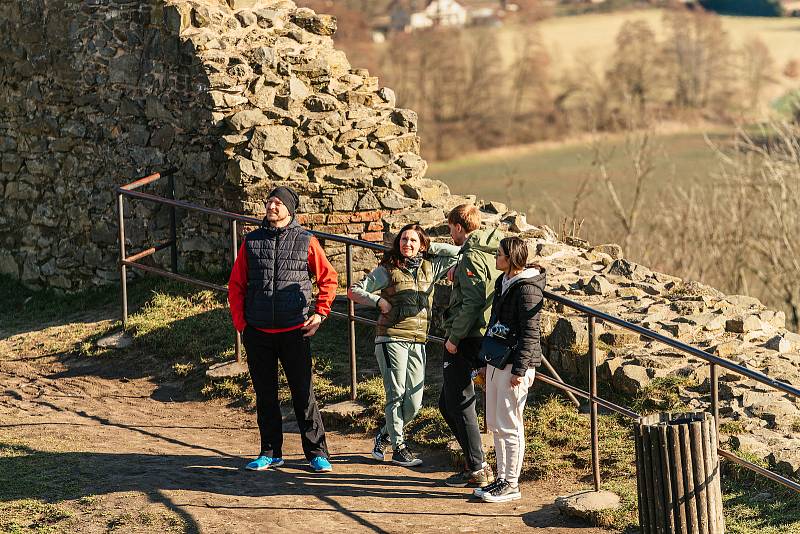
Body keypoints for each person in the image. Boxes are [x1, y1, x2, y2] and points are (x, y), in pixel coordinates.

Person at [228, 186, 338, 473]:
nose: (272, 206)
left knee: (303, 393)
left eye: (278, 203)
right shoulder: (251, 242)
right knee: (265, 395)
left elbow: (329, 278)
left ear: (290, 208)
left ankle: (316, 453)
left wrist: (321, 313)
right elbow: (236, 286)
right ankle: (270, 451)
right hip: (258, 332)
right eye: (269, 202)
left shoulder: (306, 240)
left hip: (295, 331)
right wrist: (242, 324)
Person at [348, 223, 459, 467]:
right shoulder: (387, 270)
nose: (406, 244)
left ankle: (384, 435)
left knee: (414, 402)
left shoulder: (431, 267)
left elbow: (459, 253)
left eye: (413, 241)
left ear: (422, 245)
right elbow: (354, 291)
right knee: (396, 394)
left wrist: (431, 247)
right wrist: (378, 302)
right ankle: (399, 448)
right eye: (403, 239)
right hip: (391, 337)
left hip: (419, 340)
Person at [474, 236, 544, 503]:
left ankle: (511, 483)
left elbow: (530, 332)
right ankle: (502, 478)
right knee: (497, 424)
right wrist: (484, 358)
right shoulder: (504, 282)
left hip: (513, 364)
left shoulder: (527, 288)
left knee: (510, 424)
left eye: (499, 254)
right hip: (497, 359)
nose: (496, 257)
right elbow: (494, 322)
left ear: (511, 258)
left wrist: (520, 369)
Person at [440, 204, 502, 488]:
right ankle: (473, 463)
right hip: (478, 334)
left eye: (451, 228)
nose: (449, 233)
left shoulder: (472, 257)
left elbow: (474, 301)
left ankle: (478, 467)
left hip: (467, 337)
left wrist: (454, 337)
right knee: (448, 401)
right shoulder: (488, 254)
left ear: (459, 227)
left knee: (458, 401)